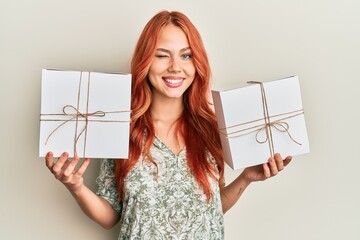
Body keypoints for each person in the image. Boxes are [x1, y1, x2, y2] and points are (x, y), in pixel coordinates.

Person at [45, 10, 292, 239]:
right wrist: (75, 186)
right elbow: (110, 217)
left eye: (186, 55)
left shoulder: (211, 128)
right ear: (145, 62)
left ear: (197, 63)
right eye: (162, 55)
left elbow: (212, 208)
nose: (175, 67)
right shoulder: (121, 128)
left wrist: (246, 178)